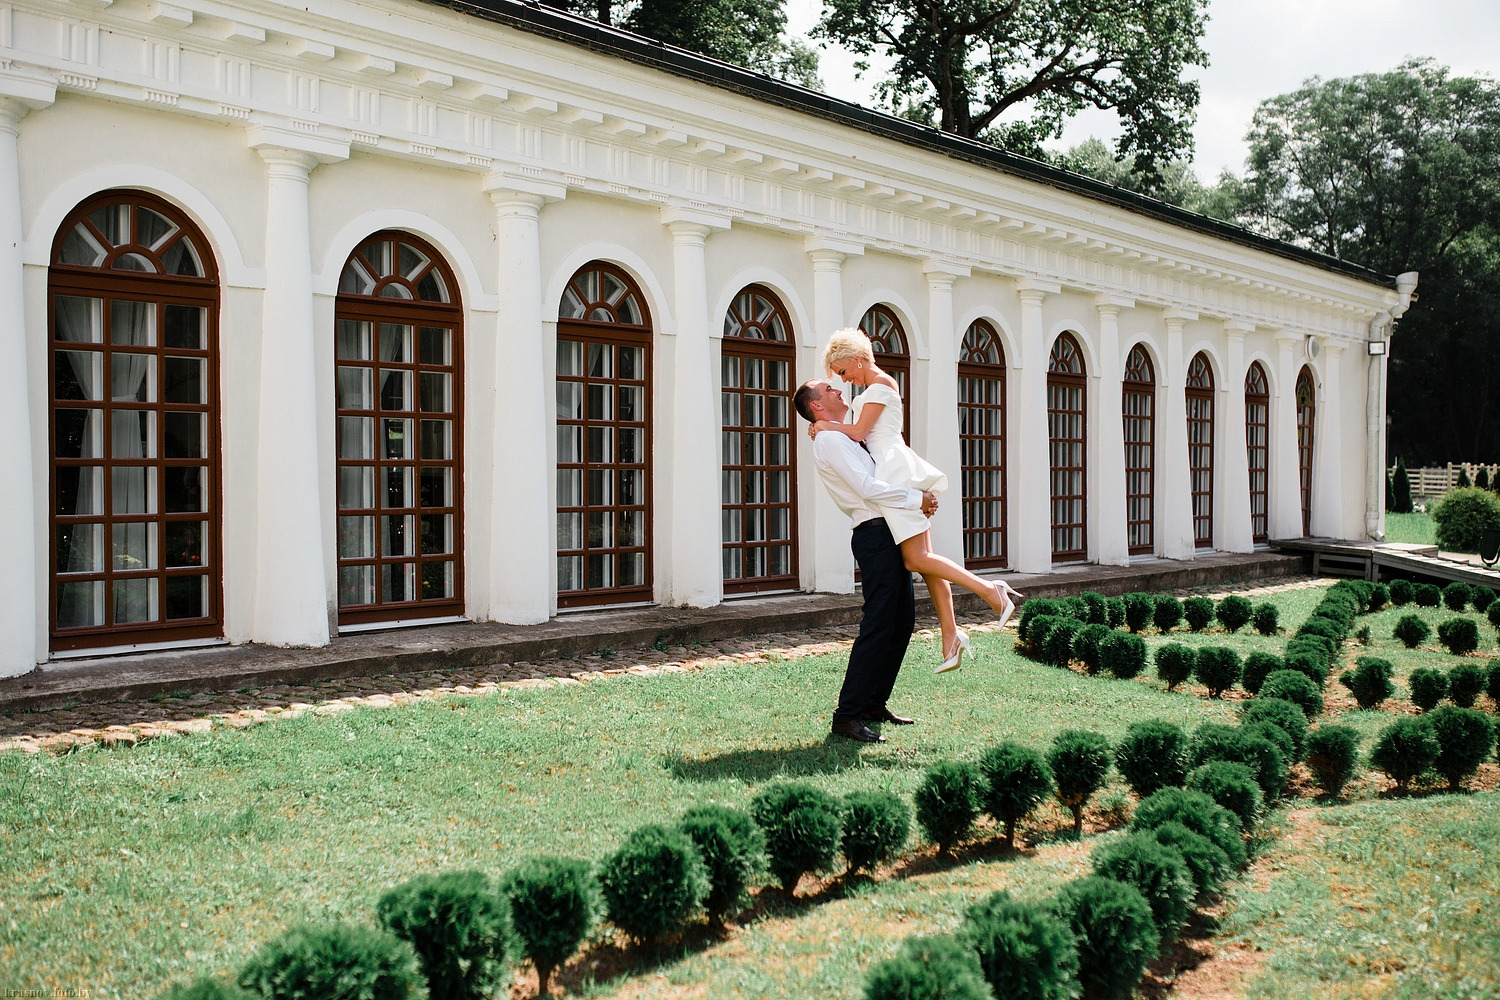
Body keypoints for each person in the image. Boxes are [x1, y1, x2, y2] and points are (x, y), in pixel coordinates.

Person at [810, 329, 1022, 673]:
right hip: (893, 467)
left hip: (893, 472)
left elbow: (861, 433)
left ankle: (990, 590)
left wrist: (824, 425)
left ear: (857, 359)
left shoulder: (879, 385)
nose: (842, 379)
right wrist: (827, 427)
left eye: (843, 371)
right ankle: (951, 636)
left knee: (916, 558)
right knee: (926, 559)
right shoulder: (875, 386)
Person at [794, 377, 938, 743]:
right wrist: (914, 498)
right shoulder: (828, 441)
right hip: (874, 533)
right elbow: (867, 488)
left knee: (902, 621)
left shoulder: (840, 435)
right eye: (829, 390)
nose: (839, 390)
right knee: (877, 624)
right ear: (816, 406)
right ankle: (847, 716)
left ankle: (875, 703)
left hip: (889, 530)